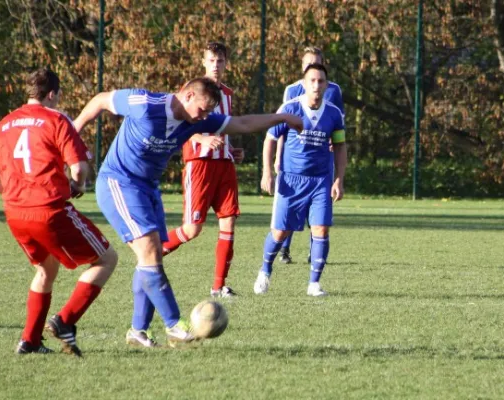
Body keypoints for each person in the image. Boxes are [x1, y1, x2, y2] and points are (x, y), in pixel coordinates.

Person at [73, 77, 302, 347]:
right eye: (202, 109)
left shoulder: (200, 119)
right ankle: (175, 325)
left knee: (152, 255)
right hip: (119, 182)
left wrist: (283, 117)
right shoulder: (146, 104)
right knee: (148, 252)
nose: (204, 118)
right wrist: (72, 133)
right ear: (188, 95)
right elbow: (101, 99)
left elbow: (242, 123)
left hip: (148, 188)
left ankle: (138, 330)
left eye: (208, 113)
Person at [0, 68, 118, 356]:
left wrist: (17, 195)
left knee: (46, 269)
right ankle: (65, 321)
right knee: (106, 259)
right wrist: (78, 184)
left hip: (15, 213)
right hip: (49, 209)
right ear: (52, 93)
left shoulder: (5, 123)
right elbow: (79, 166)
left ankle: (30, 341)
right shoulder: (57, 119)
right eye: (58, 94)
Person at [254, 63, 347, 297]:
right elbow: (270, 138)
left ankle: (314, 283)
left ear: (327, 85)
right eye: (312, 81)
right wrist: (267, 171)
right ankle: (265, 270)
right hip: (291, 180)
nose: (316, 85)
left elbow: (340, 145)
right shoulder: (290, 109)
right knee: (280, 232)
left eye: (321, 81)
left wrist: (339, 179)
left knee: (321, 229)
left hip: (320, 181)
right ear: (304, 84)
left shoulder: (334, 114)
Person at [162, 42, 244, 298]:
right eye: (211, 60)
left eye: (220, 61)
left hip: (224, 166)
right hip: (199, 165)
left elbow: (224, 128)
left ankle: (218, 286)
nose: (216, 66)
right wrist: (202, 140)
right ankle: (152, 254)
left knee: (229, 223)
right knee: (192, 230)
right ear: (203, 61)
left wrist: (232, 149)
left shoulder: (228, 93)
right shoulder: (191, 90)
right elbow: (178, 126)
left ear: (226, 63)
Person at [275, 46, 345, 264]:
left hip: (321, 157)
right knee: (292, 207)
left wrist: (335, 141)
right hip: (295, 161)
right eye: (307, 64)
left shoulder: (334, 90)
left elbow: (338, 119)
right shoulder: (292, 91)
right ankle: (284, 249)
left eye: (316, 62)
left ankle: (315, 252)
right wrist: (278, 157)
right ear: (302, 68)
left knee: (320, 207)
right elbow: (280, 129)